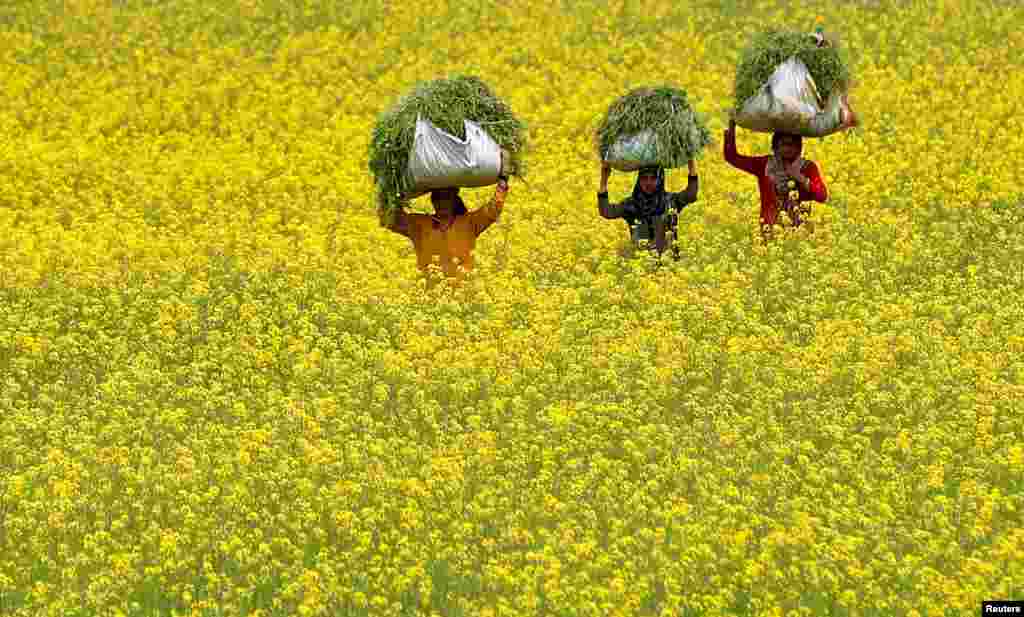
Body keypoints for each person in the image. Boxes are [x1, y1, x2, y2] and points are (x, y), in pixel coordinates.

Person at [381, 178, 509, 283]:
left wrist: (503, 182)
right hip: (429, 295)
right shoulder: (420, 224)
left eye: (446, 197)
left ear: (454, 200)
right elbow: (390, 219)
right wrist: (389, 188)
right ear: (433, 201)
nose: (441, 202)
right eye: (437, 198)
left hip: (464, 294)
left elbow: (494, 208)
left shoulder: (469, 222)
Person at [724, 118, 828, 241]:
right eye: (784, 144)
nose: (788, 148)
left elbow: (822, 196)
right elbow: (733, 158)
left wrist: (799, 177)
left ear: (799, 147)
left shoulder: (807, 167)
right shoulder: (764, 164)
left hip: (800, 233)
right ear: (775, 146)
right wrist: (731, 131)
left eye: (793, 144)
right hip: (770, 230)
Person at [598, 160, 699, 259]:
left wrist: (691, 162)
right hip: (640, 267)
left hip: (670, 266)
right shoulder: (632, 204)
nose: (648, 183)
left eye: (653, 178)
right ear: (639, 180)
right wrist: (604, 180)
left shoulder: (670, 201)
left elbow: (691, 194)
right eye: (644, 178)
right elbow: (606, 211)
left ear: (660, 179)